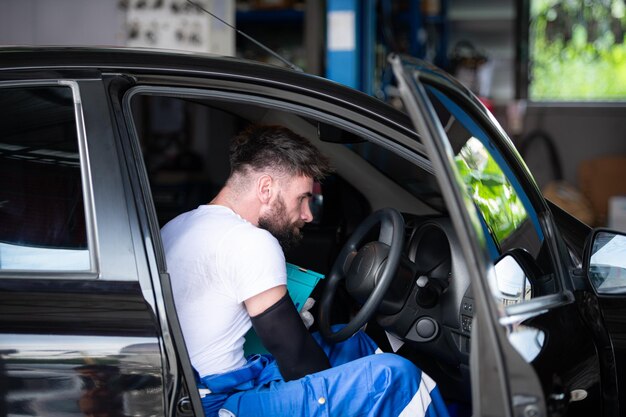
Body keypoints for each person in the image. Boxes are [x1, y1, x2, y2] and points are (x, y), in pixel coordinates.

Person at [161, 125, 449, 417]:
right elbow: (298, 361)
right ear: (265, 188)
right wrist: (340, 390)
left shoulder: (177, 226)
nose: (308, 215)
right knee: (398, 377)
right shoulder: (250, 241)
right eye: (303, 198)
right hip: (215, 404)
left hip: (203, 386)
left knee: (352, 342)